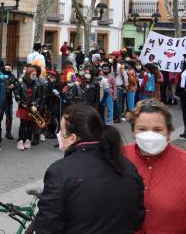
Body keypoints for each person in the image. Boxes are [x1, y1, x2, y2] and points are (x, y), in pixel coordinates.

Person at [33, 104, 145, 234]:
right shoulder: (126, 165)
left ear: (72, 138)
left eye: (61, 131)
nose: (59, 134)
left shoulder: (59, 171)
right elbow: (137, 218)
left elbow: (46, 228)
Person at [124, 100, 186, 233]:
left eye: (157, 129)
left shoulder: (184, 163)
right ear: (133, 132)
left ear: (168, 132)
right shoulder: (118, 157)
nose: (150, 135)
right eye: (142, 129)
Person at [14, 67, 42, 151]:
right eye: (33, 74)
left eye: (35, 75)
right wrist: (23, 103)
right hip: (23, 108)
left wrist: (35, 104)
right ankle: (20, 140)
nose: (34, 76)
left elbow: (39, 96)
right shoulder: (21, 83)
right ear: (28, 74)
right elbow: (17, 95)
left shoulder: (37, 84)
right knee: (23, 124)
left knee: (30, 125)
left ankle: (28, 140)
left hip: (32, 108)